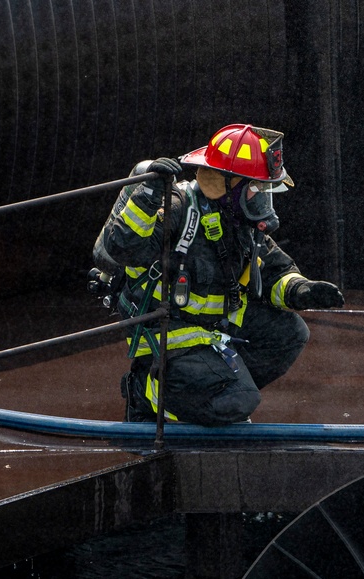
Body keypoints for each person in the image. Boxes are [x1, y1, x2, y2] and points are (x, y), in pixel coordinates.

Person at [93, 123, 344, 424]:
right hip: (169, 330)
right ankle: (146, 389)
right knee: (239, 402)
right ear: (227, 184)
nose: (261, 197)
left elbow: (276, 271)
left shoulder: (242, 222)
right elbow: (121, 248)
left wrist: (301, 291)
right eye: (255, 188)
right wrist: (147, 197)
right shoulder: (179, 207)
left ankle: (211, 388)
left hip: (210, 325)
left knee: (291, 333)